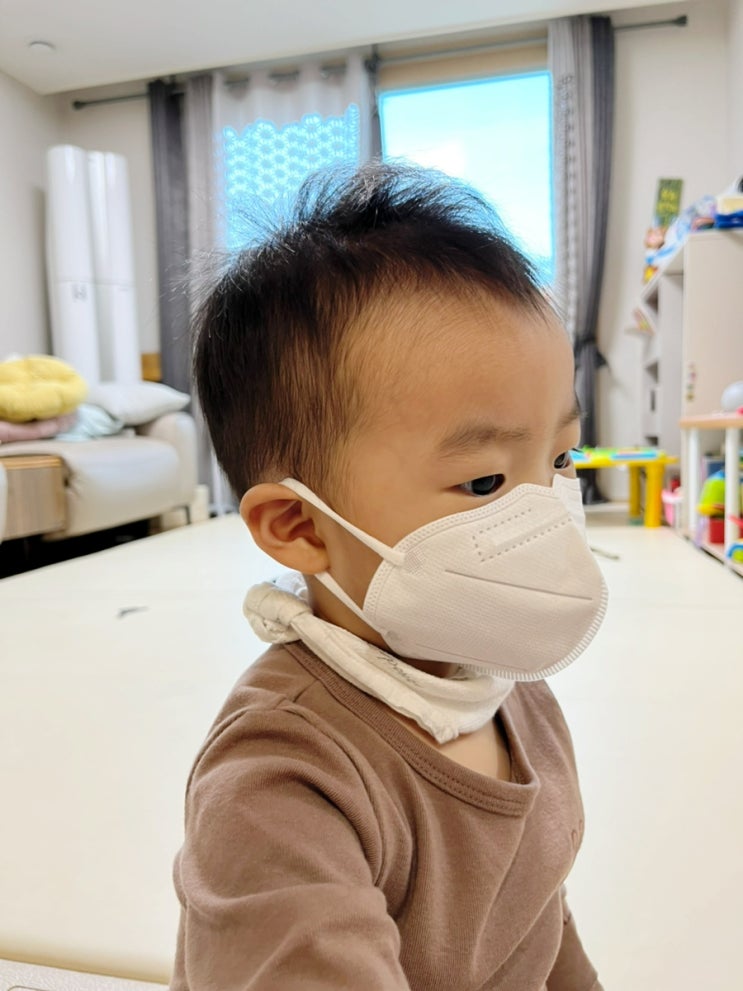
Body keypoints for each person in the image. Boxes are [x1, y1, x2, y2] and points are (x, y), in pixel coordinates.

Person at [171, 162, 608, 991]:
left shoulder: (511, 686)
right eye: (484, 481)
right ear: (301, 526)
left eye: (559, 459)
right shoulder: (282, 781)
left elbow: (537, 915)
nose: (548, 512)